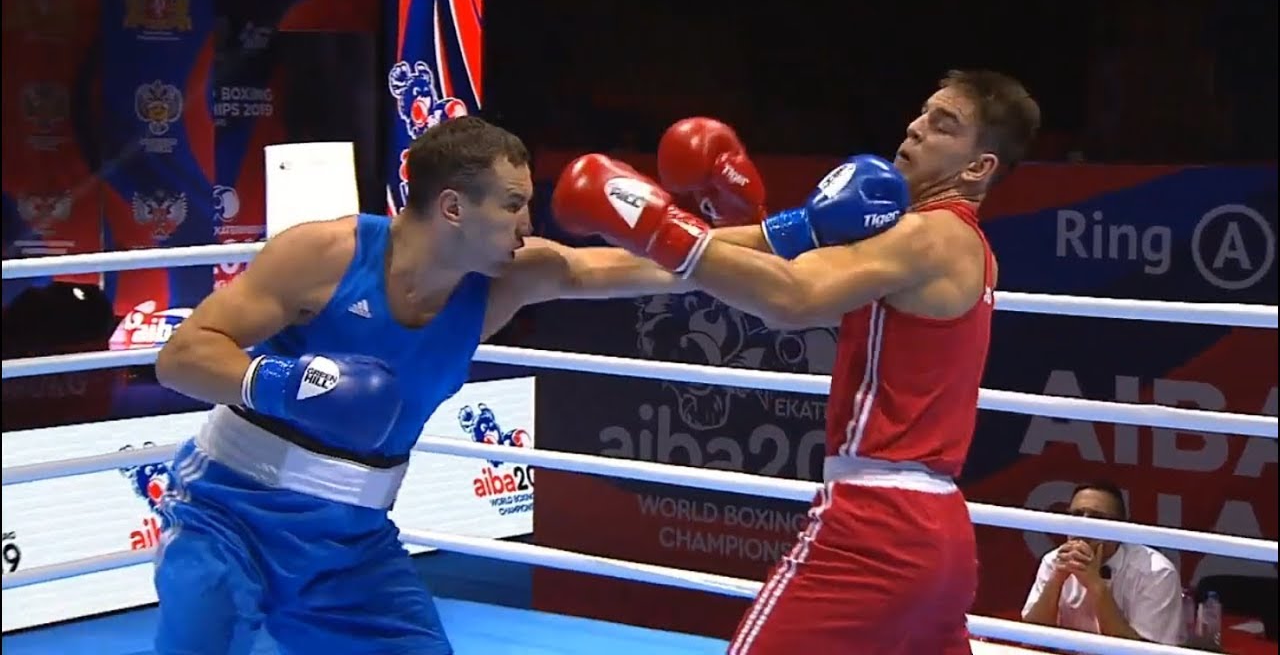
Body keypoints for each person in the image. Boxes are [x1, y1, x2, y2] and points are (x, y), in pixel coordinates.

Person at [150, 115, 769, 654]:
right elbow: (181, 356)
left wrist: (789, 233)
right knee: (206, 629)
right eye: (511, 204)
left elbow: (655, 267)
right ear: (452, 208)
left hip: (352, 547)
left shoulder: (506, 280)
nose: (527, 222)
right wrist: (289, 384)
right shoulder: (327, 254)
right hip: (229, 514)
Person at [553, 69, 1042, 654]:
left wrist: (655, 223)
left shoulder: (927, 235)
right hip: (940, 535)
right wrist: (711, 232)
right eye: (922, 113)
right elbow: (783, 274)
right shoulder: (957, 247)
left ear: (978, 167)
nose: (915, 128)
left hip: (875, 526)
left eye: (944, 125)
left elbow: (793, 297)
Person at [1022, 481, 1185, 645]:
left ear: (1120, 527)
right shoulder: (1053, 561)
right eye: (1076, 515)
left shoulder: (1157, 573)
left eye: (1097, 518)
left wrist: (1096, 586)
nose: (1083, 525)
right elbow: (1030, 640)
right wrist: (1056, 580)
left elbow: (1143, 652)